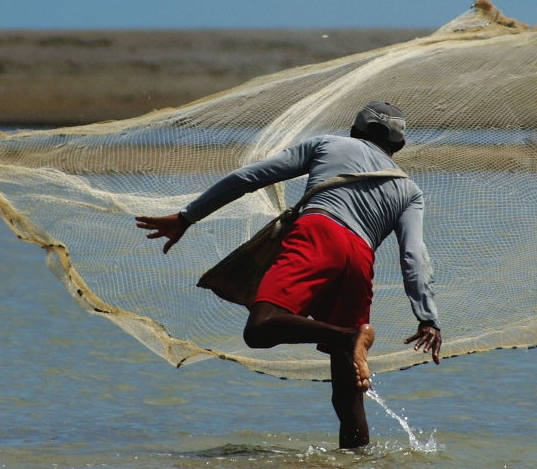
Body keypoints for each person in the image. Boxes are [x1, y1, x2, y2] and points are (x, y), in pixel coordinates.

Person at [136, 101, 442, 449]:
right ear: (398, 148)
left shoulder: (328, 144)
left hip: (318, 233)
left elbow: (248, 177)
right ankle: (356, 457)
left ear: (354, 131)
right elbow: (413, 255)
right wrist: (428, 318)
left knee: (260, 328)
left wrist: (187, 217)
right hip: (360, 261)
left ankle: (347, 337)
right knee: (348, 396)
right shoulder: (409, 190)